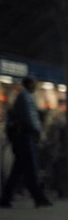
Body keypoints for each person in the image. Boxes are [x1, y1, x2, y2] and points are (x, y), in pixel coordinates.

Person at [1, 77, 54, 209]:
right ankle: (38, 197)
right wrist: (39, 131)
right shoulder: (25, 97)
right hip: (25, 137)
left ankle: (5, 198)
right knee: (31, 167)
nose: (35, 86)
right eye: (34, 83)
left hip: (21, 137)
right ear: (29, 84)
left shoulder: (24, 96)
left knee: (18, 169)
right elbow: (30, 117)